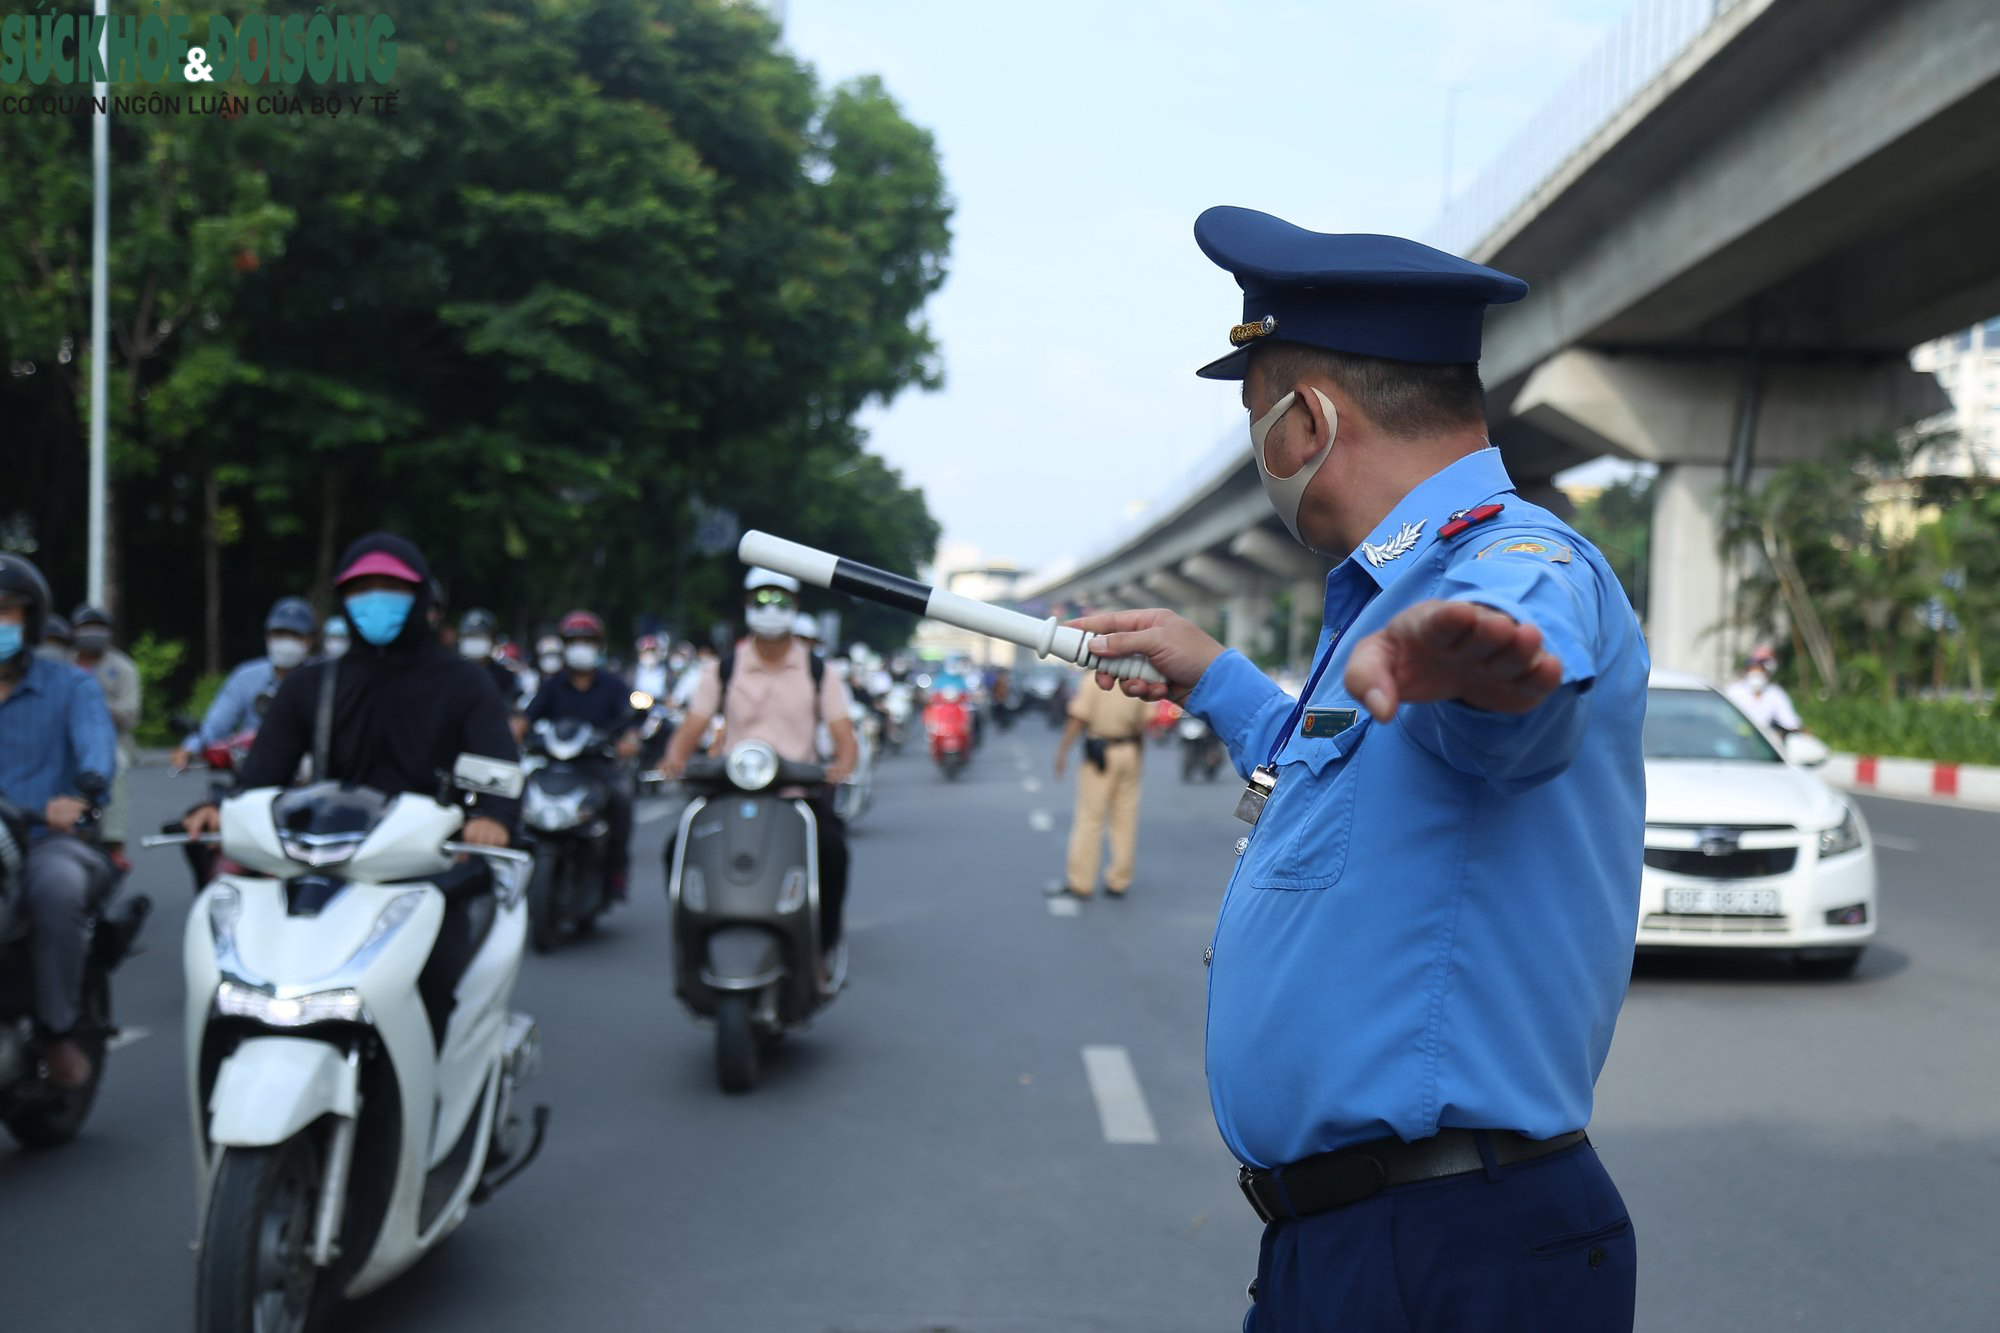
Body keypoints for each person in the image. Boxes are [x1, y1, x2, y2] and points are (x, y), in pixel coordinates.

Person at [1067, 208, 1649, 1332]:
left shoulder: (1506, 561)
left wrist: (1472, 654)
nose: (1259, 448)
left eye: (1255, 416)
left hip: (1446, 1250)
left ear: (1306, 421)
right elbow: (1347, 786)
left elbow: (1514, 681)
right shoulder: (1382, 593)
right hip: (1361, 1242)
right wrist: (1217, 679)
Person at [181, 534, 518, 847]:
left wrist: (494, 819)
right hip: (327, 853)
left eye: (393, 586)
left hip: (432, 857)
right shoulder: (310, 684)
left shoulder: (463, 682)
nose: (376, 598)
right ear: (342, 598)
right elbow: (260, 776)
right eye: (361, 588)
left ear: (421, 595)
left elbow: (497, 770)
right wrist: (221, 808)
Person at [656, 569, 857, 962]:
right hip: (731, 789)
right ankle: (693, 949)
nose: (770, 610)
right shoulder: (724, 668)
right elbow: (692, 726)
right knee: (675, 849)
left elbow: (844, 735)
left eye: (780, 601)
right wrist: (673, 758)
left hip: (799, 795)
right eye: (761, 601)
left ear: (795, 608)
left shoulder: (819, 671)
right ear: (747, 606)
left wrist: (843, 765)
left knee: (833, 854)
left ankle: (821, 951)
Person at [0, 555, 120, 1089]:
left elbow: (96, 748)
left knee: (57, 889)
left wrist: (81, 794)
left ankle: (56, 1029)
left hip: (47, 840)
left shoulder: (72, 686)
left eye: (5, 611)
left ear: (30, 619)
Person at [522, 611, 640, 899]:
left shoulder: (612, 685)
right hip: (556, 766)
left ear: (599, 645)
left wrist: (629, 739)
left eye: (587, 641)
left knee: (621, 802)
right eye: (574, 641)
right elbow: (526, 718)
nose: (580, 647)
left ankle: (616, 872)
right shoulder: (552, 685)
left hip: (596, 767)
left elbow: (631, 724)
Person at [170, 595, 316, 770]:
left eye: (294, 635)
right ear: (268, 636)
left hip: (310, 775)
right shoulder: (246, 677)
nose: (286, 641)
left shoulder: (323, 677)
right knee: (212, 798)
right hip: (252, 771)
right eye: (280, 634)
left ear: (309, 640)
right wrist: (191, 747)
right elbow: (216, 726)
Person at [1052, 673, 1151, 900]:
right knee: (1125, 819)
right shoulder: (1138, 679)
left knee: (1090, 819)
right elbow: (1141, 725)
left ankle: (1081, 882)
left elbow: (1078, 717)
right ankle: (1119, 880)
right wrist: (1140, 759)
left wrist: (1062, 752)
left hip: (1101, 755)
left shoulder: (1094, 679)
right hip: (1129, 752)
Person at [69, 605, 141, 869]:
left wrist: (95, 702)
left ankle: (114, 843)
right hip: (66, 739)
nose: (92, 633)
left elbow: (130, 714)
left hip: (111, 740)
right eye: (87, 627)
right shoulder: (63, 664)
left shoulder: (122, 667)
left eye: (99, 628)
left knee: (116, 768)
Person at [1725, 643, 1803, 737]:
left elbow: (1790, 722)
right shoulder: (1733, 692)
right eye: (1754, 667)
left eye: (1761, 667)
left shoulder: (1775, 693)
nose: (1756, 672)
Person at [459, 608, 526, 709]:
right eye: (471, 636)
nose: (476, 641)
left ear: (493, 639)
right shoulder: (454, 675)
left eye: (481, 636)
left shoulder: (505, 676)